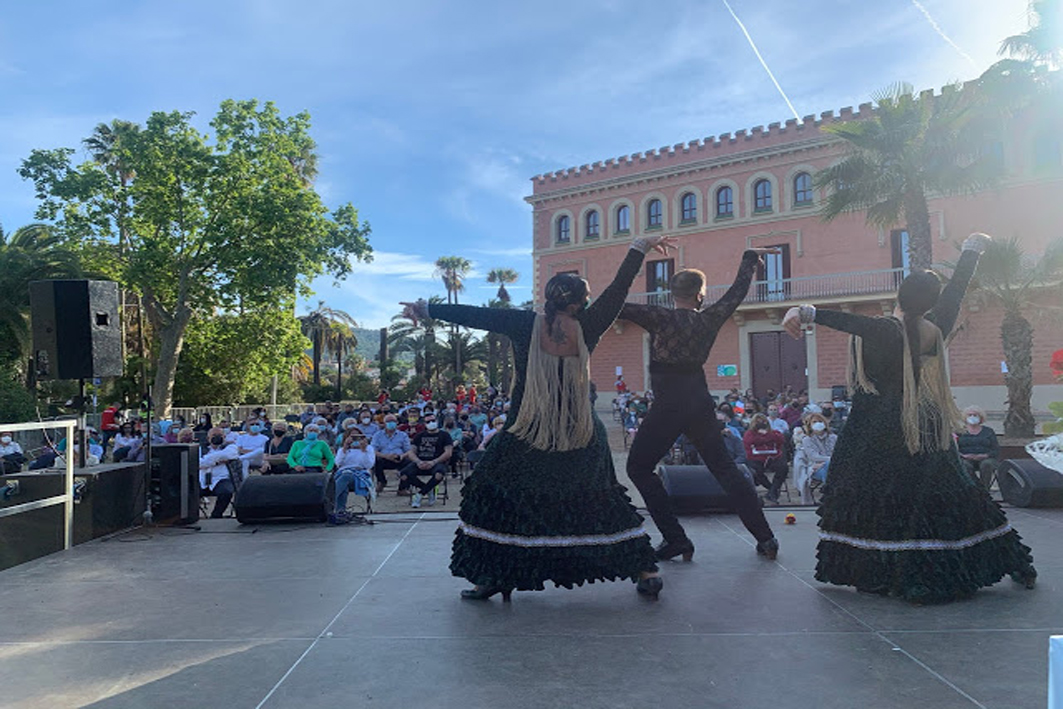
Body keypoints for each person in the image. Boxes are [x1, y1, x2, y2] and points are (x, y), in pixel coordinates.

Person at [401, 234, 674, 600]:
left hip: (527, 429)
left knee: (496, 492)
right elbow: (619, 288)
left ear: (549, 297)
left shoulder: (522, 323)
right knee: (598, 497)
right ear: (581, 302)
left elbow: (473, 315)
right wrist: (638, 247)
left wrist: (425, 308)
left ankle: (495, 573)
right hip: (580, 431)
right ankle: (644, 568)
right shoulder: (590, 325)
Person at [781, 232, 1036, 602]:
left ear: (899, 296)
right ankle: (1007, 562)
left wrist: (805, 312)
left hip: (877, 428)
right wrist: (971, 251)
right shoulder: (936, 327)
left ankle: (888, 570)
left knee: (881, 496)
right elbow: (957, 290)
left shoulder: (886, 329)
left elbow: (849, 323)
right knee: (951, 493)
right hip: (926, 424)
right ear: (929, 301)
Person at [619, 249, 780, 562]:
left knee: (638, 468)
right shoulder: (709, 318)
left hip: (668, 405)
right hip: (699, 401)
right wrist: (748, 261)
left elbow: (615, 306)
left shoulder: (658, 316)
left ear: (672, 293)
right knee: (724, 469)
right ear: (700, 294)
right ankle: (766, 538)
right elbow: (736, 293)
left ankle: (676, 538)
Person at [397, 412, 453, 508]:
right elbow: (411, 452)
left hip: (437, 462)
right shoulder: (419, 436)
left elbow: (448, 452)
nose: (431, 423)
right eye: (428, 421)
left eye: (433, 420)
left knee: (439, 475)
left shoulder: (445, 435)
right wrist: (418, 461)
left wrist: (434, 462)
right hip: (420, 461)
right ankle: (428, 489)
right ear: (424, 424)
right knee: (403, 475)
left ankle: (420, 494)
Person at [743, 413, 789, 504]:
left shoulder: (774, 432)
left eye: (763, 421)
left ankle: (772, 491)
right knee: (756, 471)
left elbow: (781, 440)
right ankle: (772, 489)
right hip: (755, 458)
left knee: (783, 468)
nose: (761, 423)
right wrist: (766, 438)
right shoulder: (749, 433)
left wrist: (767, 434)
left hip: (773, 457)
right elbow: (751, 441)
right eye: (758, 422)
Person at [332, 430, 376, 523]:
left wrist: (364, 451)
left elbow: (368, 465)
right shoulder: (342, 450)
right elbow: (337, 463)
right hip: (343, 473)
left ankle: (330, 500)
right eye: (353, 437)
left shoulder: (369, 449)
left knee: (345, 477)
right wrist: (344, 449)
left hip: (359, 474)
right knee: (343, 481)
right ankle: (340, 511)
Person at [794, 413, 837, 504]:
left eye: (820, 421)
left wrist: (827, 462)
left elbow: (838, 454)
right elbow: (814, 457)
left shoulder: (834, 438)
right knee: (827, 468)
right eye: (814, 422)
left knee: (828, 467)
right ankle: (830, 496)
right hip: (815, 468)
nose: (818, 423)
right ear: (809, 425)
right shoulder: (807, 440)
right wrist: (830, 461)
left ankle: (828, 495)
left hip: (835, 467)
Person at [199, 428, 240, 518]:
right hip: (202, 480)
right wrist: (217, 461)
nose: (217, 437)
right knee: (187, 491)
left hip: (221, 479)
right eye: (214, 435)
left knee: (227, 492)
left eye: (220, 435)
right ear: (208, 438)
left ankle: (216, 515)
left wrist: (207, 461)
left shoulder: (231, 447)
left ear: (224, 437)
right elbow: (197, 462)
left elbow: (229, 454)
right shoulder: (199, 448)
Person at [957, 406, 1000, 489]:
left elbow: (995, 449)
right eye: (970, 415)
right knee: (965, 465)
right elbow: (954, 449)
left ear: (981, 418)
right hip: (966, 458)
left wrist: (985, 455)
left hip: (986, 458)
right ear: (965, 417)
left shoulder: (988, 431)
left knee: (987, 464)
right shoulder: (959, 431)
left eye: (975, 415)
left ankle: (984, 489)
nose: (972, 417)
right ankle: (973, 488)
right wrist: (963, 455)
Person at [370, 413, 411, 493]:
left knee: (409, 464)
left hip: (399, 458)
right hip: (383, 458)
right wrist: (386, 456)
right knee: (376, 461)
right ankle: (381, 482)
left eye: (393, 421)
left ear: (397, 423)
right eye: (388, 421)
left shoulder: (403, 435)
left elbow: (408, 450)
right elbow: (373, 450)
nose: (391, 423)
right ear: (384, 423)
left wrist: (401, 456)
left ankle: (403, 488)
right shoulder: (377, 435)